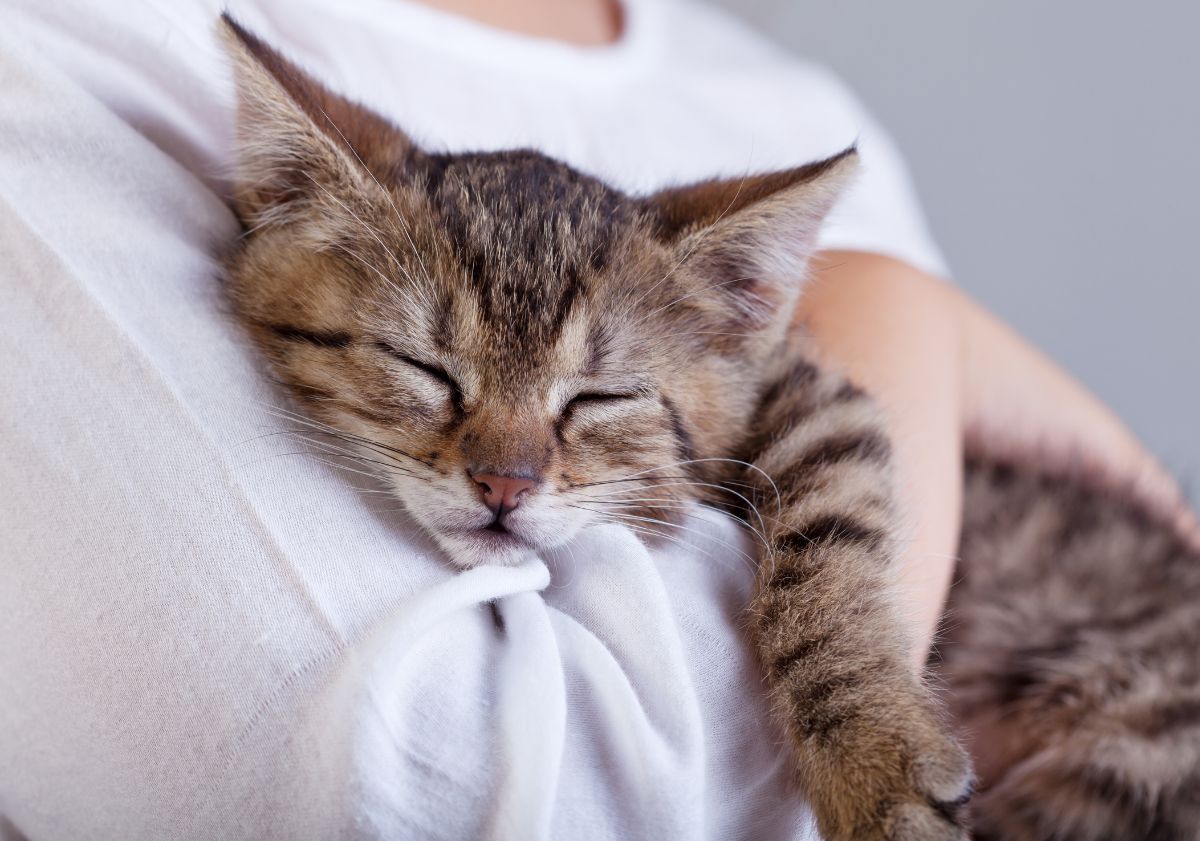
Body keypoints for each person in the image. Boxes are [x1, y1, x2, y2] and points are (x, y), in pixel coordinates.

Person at [1, 0, 1194, 839]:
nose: (508, 470)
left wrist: (841, 679)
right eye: (430, 371)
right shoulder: (68, 45)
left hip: (1108, 657)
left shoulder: (781, 100)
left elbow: (809, 417)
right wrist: (898, 304)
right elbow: (450, 792)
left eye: (596, 403)